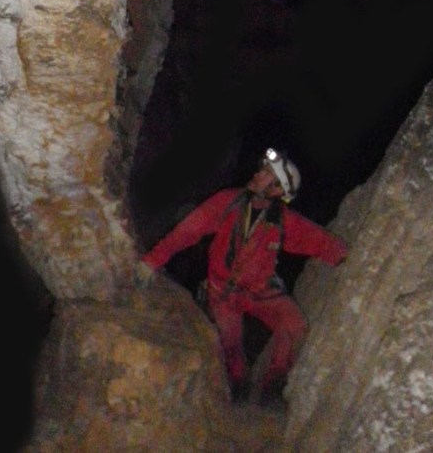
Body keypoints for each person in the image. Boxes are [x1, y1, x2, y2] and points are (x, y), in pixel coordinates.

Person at [136, 148, 348, 404]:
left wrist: (345, 257)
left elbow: (317, 240)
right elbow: (185, 233)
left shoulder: (281, 221)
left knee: (294, 325)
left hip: (260, 291)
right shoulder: (228, 203)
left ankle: (272, 387)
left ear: (277, 190)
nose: (258, 174)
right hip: (223, 292)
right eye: (262, 170)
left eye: (267, 174)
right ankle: (238, 389)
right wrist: (151, 262)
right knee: (230, 343)